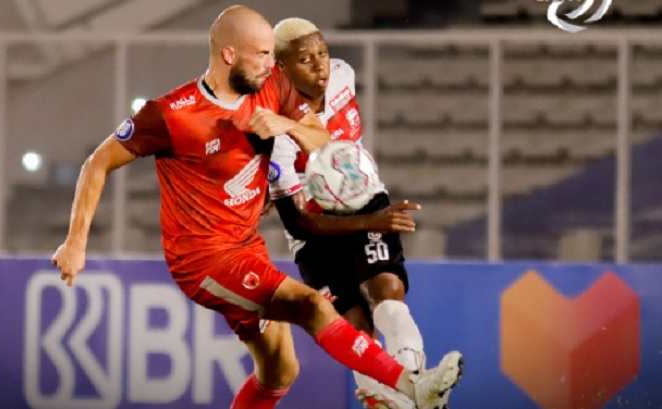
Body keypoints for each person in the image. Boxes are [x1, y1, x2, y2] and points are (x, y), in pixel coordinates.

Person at [51, 6, 454, 409]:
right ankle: (410, 387)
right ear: (229, 55)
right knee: (312, 305)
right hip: (204, 259)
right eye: (261, 54)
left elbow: (322, 139)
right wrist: (75, 243)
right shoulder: (171, 114)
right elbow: (97, 163)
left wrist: (289, 126)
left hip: (246, 247)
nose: (270, 62)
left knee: (280, 370)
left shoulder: (272, 86)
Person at [268, 17, 463, 409]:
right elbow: (297, 221)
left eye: (322, 53)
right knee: (355, 325)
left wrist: (369, 213)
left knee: (388, 295)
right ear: (281, 70)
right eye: (306, 60)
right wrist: (372, 222)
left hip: (365, 198)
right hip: (315, 227)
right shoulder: (277, 134)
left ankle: (414, 388)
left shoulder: (343, 75)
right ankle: (387, 400)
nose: (321, 66)